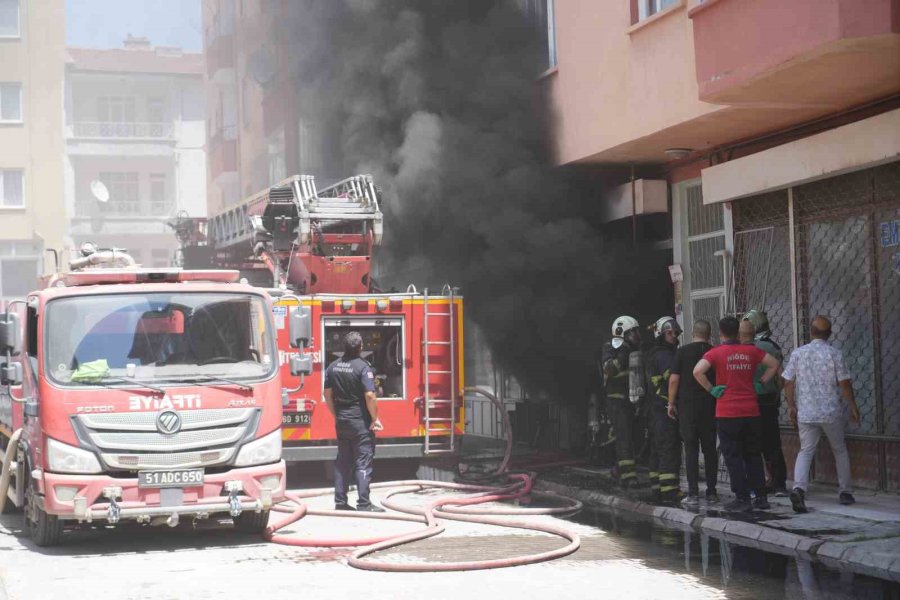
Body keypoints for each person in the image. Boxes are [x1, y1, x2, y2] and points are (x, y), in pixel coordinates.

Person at [694, 316, 779, 512]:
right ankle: (761, 496)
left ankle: (742, 497)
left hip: (727, 412)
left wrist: (711, 389)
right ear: (738, 333)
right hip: (751, 410)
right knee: (753, 455)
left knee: (733, 456)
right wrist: (762, 382)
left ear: (721, 333)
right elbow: (774, 364)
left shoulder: (715, 353)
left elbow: (697, 371)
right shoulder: (752, 351)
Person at [783, 316, 860, 513]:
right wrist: (852, 406)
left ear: (811, 331)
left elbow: (788, 382)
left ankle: (799, 488)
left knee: (806, 450)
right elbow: (844, 383)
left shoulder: (799, 353)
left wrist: (791, 406)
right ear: (830, 333)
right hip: (830, 412)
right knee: (840, 449)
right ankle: (845, 492)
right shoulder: (834, 354)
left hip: (806, 412)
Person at [323, 331, 385, 512]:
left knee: (342, 462)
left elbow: (327, 395)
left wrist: (336, 415)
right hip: (360, 422)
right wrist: (375, 418)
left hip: (342, 421)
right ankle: (364, 504)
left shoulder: (332, 367)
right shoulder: (363, 367)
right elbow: (370, 395)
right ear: (360, 347)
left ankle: (340, 502)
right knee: (363, 461)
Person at [668, 320, 718, 506]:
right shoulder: (714, 352)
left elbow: (674, 380)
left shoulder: (682, 352)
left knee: (691, 450)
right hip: (710, 406)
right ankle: (712, 492)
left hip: (688, 408)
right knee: (710, 449)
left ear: (692, 333)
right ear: (709, 334)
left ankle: (694, 493)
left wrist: (671, 403)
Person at [742, 310, 788, 497]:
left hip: (750, 400)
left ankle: (758, 483)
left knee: (752, 444)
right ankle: (779, 484)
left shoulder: (746, 348)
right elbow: (781, 378)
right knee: (772, 444)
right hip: (769, 400)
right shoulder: (772, 347)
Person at [601, 315, 643, 488]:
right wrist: (624, 352)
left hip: (634, 400)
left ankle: (618, 469)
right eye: (633, 332)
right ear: (622, 333)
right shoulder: (609, 347)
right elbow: (609, 370)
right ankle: (629, 477)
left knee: (637, 437)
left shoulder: (636, 349)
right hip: (617, 400)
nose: (637, 335)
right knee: (624, 437)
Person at [646, 316, 682, 505]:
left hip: (655, 410)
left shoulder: (655, 353)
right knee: (668, 448)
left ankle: (657, 488)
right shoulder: (665, 355)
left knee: (656, 449)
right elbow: (672, 379)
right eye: (669, 332)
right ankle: (669, 491)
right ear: (661, 334)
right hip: (665, 408)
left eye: (675, 332)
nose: (674, 336)